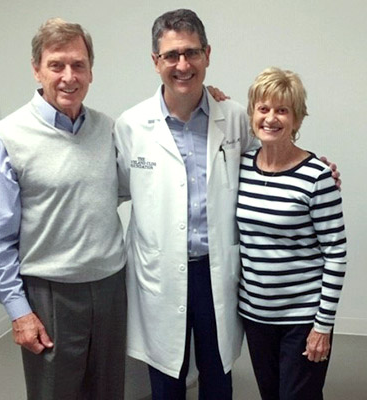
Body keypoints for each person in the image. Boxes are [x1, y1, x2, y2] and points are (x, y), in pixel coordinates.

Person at [0, 18, 126, 400]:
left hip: (111, 288)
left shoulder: (108, 130)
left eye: (78, 65)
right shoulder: (5, 138)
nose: (68, 77)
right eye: (56, 65)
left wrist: (203, 99)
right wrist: (19, 311)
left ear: (91, 71)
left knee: (109, 392)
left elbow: (131, 185)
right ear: (36, 69)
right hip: (50, 297)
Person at [114, 9, 259, 399]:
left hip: (216, 271)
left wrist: (313, 168)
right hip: (159, 273)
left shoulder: (235, 118)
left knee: (217, 375)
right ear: (155, 61)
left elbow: (269, 166)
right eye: (171, 55)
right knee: (166, 377)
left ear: (207, 54)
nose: (182, 65)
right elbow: (114, 191)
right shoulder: (131, 126)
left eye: (192, 52)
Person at [237, 67, 347, 399]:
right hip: (256, 316)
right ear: (252, 114)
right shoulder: (239, 167)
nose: (271, 118)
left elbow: (336, 253)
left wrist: (322, 326)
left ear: (297, 119)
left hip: (302, 318)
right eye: (263, 108)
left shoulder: (317, 176)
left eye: (282, 110)